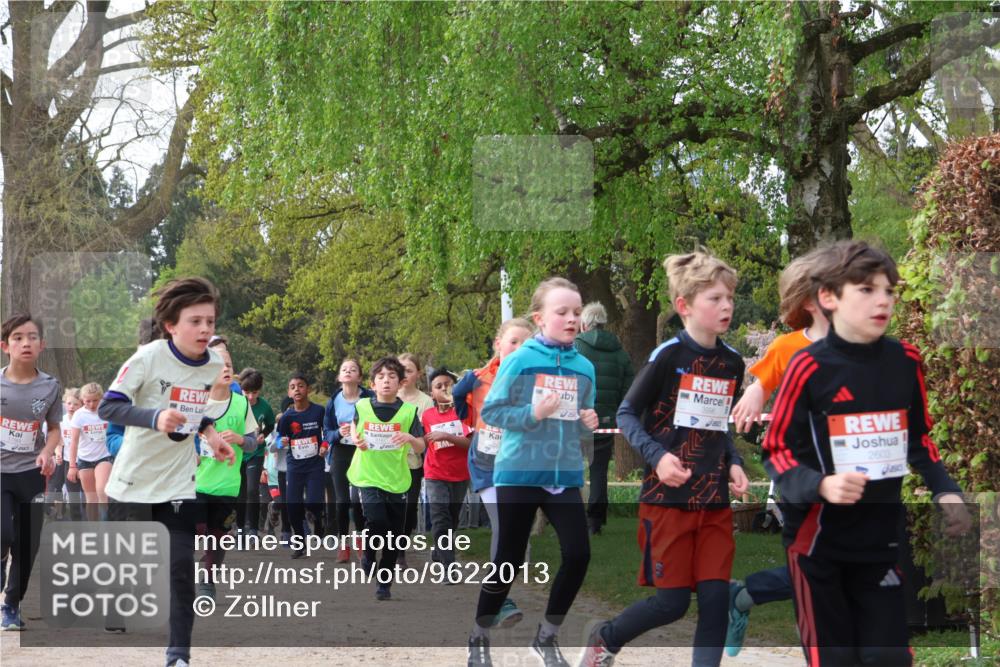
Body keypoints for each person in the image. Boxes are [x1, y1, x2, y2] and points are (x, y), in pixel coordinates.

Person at [762, 240, 970, 667]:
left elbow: (919, 440)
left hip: (880, 544)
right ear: (829, 298)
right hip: (817, 547)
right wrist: (821, 484)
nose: (882, 301)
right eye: (866, 290)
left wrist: (944, 490)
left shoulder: (906, 361)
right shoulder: (808, 367)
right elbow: (777, 450)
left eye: (889, 291)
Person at [580, 251, 749, 667]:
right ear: (684, 306)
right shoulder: (667, 357)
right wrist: (657, 458)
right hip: (667, 499)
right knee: (672, 603)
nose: (726, 306)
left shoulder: (732, 363)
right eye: (714, 298)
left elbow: (717, 424)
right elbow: (625, 413)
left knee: (713, 601)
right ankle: (606, 638)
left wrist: (734, 460)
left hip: (713, 501)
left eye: (729, 297)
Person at [99, 277, 236, 666]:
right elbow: (109, 407)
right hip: (132, 482)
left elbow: (195, 410)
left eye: (210, 321)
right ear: (172, 325)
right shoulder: (147, 357)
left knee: (179, 569)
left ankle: (178, 654)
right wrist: (154, 416)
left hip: (178, 484)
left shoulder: (211, 363)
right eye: (195, 321)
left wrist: (211, 434)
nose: (205, 329)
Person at [468, 277, 599, 667]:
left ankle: (547, 636)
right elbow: (491, 412)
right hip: (519, 472)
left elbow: (576, 420)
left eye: (576, 312)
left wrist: (586, 419)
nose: (572, 319)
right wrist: (532, 414)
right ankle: (479, 635)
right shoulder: (519, 360)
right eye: (562, 312)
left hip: (564, 476)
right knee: (507, 561)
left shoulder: (586, 367)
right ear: (541, 318)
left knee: (578, 555)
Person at [724, 248, 829, 656]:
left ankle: (745, 595)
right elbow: (761, 381)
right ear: (810, 300)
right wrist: (754, 393)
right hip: (800, 472)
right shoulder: (788, 346)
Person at [455, 317, 533, 629]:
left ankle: (499, 592)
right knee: (503, 527)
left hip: (519, 462)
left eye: (526, 343)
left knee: (516, 533)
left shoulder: (534, 377)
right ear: (498, 344)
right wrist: (467, 419)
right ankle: (500, 600)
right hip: (486, 462)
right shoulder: (478, 378)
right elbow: (459, 398)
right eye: (513, 341)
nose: (519, 348)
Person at [0, 313, 62, 631]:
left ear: (42, 345)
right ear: (5, 346)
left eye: (32, 337)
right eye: (18, 338)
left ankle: (10, 605)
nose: (26, 342)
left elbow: (54, 429)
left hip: (31, 472)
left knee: (28, 543)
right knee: (4, 535)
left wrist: (47, 451)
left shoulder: (50, 386)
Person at [347, 356, 426, 601]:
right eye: (381, 377)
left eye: (392, 376)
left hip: (397, 479)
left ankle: (385, 582)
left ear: (401, 382)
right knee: (377, 521)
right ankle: (369, 554)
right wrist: (355, 438)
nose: (386, 381)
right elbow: (353, 426)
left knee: (394, 535)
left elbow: (422, 445)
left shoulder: (408, 411)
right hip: (367, 476)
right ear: (372, 383)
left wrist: (410, 439)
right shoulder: (362, 407)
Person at [195, 348, 258, 599]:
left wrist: (241, 439)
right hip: (196, 481)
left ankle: (207, 583)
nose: (226, 369)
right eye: (219, 364)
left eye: (229, 364)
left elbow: (254, 443)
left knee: (219, 536)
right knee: (199, 528)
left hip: (228, 484)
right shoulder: (195, 403)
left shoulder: (241, 403)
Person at [573, 301, 635, 535]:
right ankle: (595, 523)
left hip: (576, 420)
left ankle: (571, 517)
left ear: (585, 324)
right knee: (599, 472)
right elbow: (628, 388)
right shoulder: (620, 352)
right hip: (606, 421)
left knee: (573, 468)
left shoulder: (576, 347)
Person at [323, 358, 374, 562]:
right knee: (342, 501)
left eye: (353, 369)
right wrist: (337, 433)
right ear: (339, 377)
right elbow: (326, 432)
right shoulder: (333, 401)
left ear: (359, 377)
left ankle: (361, 542)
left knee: (358, 500)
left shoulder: (369, 398)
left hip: (362, 451)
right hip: (341, 452)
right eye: (344, 369)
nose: (348, 372)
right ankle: (343, 545)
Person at [421, 367, 472, 571]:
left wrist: (447, 436)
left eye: (448, 385)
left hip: (460, 474)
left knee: (452, 518)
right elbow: (422, 442)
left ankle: (439, 550)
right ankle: (449, 566)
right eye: (438, 386)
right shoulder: (426, 416)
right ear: (431, 392)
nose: (443, 388)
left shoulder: (464, 412)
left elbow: (471, 445)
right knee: (439, 518)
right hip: (435, 473)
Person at [276, 373, 329, 558]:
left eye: (300, 385)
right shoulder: (287, 417)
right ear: (289, 393)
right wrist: (281, 442)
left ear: (308, 389)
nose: (297, 389)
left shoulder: (319, 411)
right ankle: (300, 543)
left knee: (314, 502)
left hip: (315, 465)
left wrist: (325, 444)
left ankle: (319, 522)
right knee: (292, 506)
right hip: (295, 466)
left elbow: (328, 432)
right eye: (293, 387)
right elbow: (278, 439)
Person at [397, 352, 433, 569]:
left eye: (409, 370)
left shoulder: (426, 402)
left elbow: (428, 436)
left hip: (413, 463)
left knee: (409, 509)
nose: (404, 375)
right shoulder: (387, 397)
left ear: (417, 374)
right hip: (387, 463)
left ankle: (400, 549)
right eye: (401, 370)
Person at [236, 368, 275, 538]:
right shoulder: (235, 403)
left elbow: (271, 425)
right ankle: (240, 527)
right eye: (247, 392)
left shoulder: (264, 406)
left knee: (252, 490)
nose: (251, 397)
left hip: (255, 453)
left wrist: (263, 434)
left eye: (255, 392)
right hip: (237, 453)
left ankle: (253, 528)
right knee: (240, 491)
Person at [66, 382, 113, 521]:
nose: (92, 404)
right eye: (87, 401)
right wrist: (72, 466)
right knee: (91, 499)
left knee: (102, 491)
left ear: (101, 398)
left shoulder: (107, 411)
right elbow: (73, 442)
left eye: (95, 401)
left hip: (104, 457)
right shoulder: (79, 415)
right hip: (85, 459)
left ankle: (107, 527)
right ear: (82, 400)